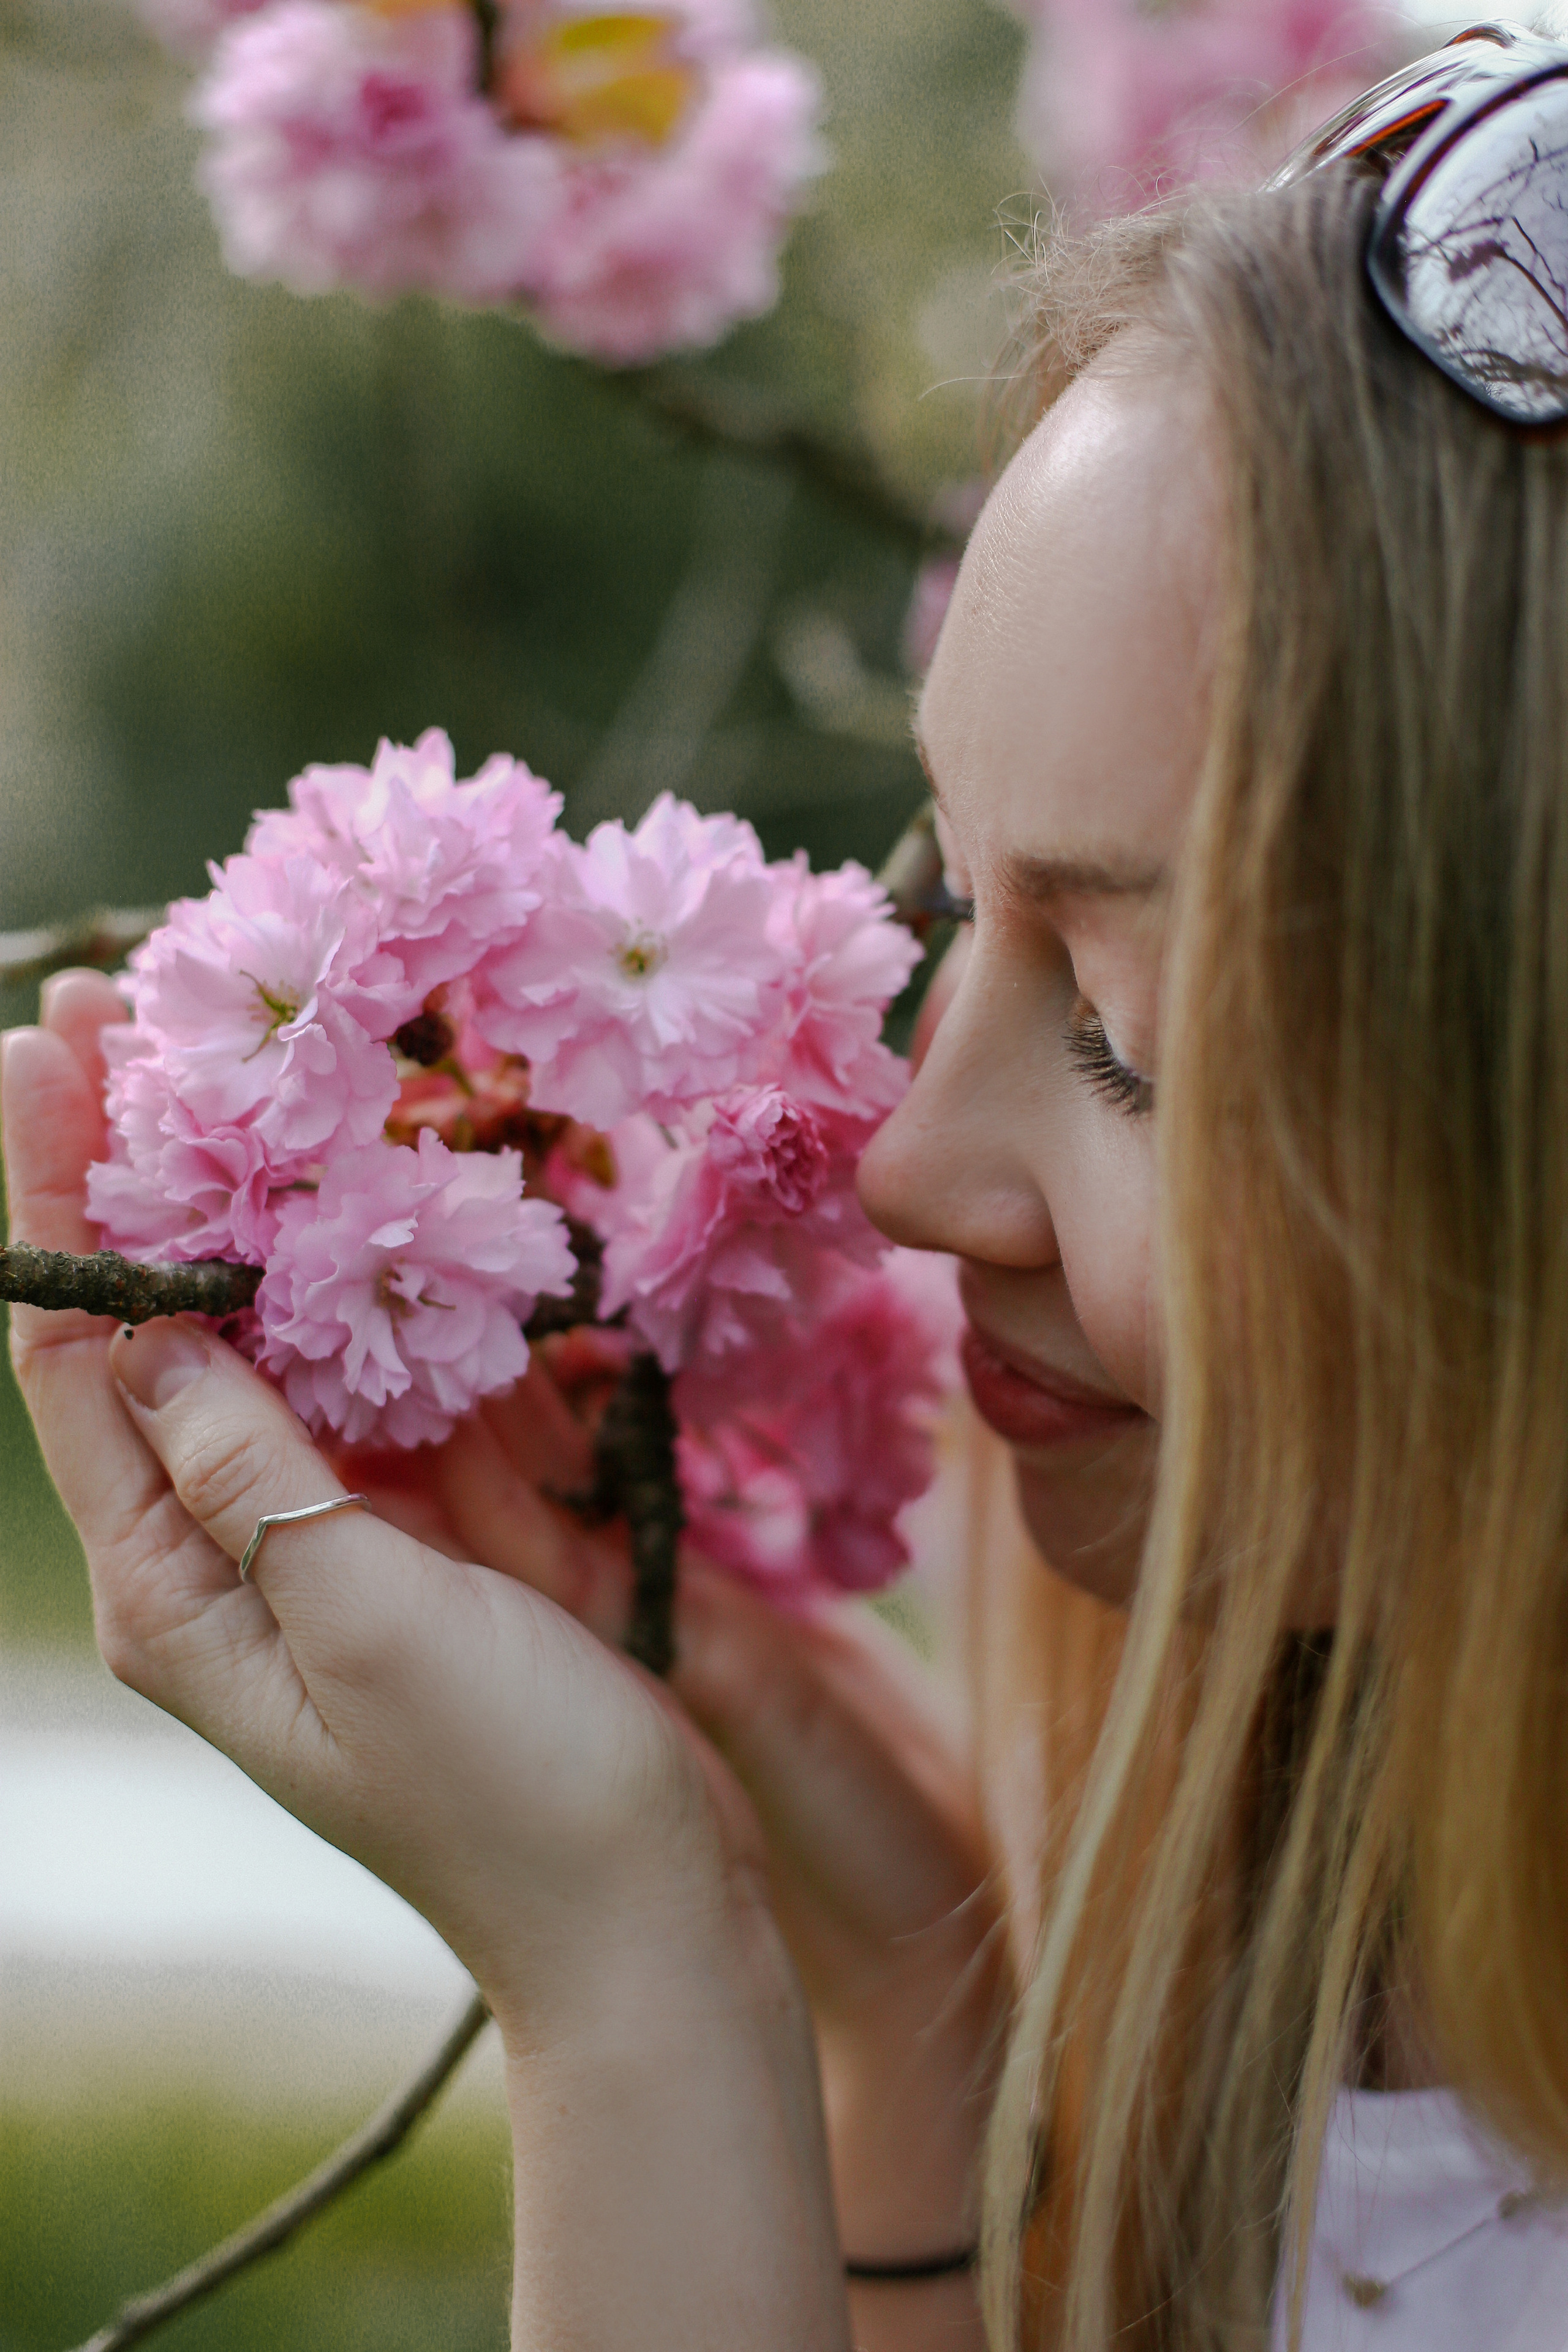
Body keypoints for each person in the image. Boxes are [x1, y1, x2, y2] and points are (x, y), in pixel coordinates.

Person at [11, 21, 1568, 2348]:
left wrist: (625, 1987)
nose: (915, 1169)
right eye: (952, 907)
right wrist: (882, 1977)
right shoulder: (1343, 1977)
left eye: (1134, 1038)